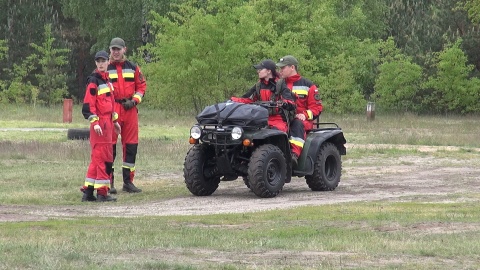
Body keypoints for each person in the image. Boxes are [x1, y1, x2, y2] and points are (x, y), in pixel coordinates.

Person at [107, 37, 147, 194]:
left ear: (125, 49)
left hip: (130, 109)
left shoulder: (133, 67)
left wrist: (134, 101)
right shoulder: (105, 67)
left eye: (118, 49)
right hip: (112, 109)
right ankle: (108, 182)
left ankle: (128, 182)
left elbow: (141, 87)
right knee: (109, 147)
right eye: (113, 49)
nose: (116, 52)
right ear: (110, 50)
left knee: (131, 146)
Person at [81, 50, 121, 202]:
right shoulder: (94, 81)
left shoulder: (107, 81)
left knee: (97, 159)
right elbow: (88, 105)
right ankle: (102, 194)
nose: (101, 63)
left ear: (108, 62)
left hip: (108, 124)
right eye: (98, 61)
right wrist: (95, 122)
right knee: (104, 159)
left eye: (103, 61)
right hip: (100, 126)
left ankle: (88, 192)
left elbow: (110, 105)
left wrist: (115, 121)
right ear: (96, 63)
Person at [276, 55, 323, 166]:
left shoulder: (308, 85)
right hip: (282, 119)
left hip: (301, 120)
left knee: (296, 124)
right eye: (279, 68)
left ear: (292, 67)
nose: (280, 71)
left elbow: (317, 108)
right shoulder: (278, 85)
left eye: (283, 68)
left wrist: (305, 115)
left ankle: (294, 155)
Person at [231, 59, 296, 133]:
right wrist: (232, 100)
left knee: (274, 134)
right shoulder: (258, 85)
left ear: (269, 71)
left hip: (277, 119)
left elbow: (291, 104)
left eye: (260, 69)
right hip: (260, 118)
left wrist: (283, 103)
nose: (258, 71)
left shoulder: (280, 84)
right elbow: (246, 99)